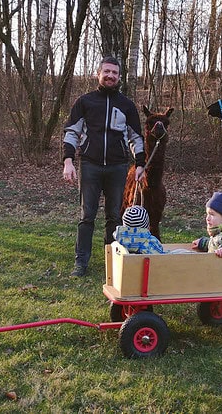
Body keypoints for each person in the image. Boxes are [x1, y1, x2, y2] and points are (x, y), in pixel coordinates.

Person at [62, 56, 146, 277]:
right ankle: (81, 263)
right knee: (86, 216)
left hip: (118, 167)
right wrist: (68, 160)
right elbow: (72, 132)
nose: (110, 76)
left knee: (114, 218)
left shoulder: (127, 105)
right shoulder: (85, 102)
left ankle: (113, 261)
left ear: (119, 77)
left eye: (115, 73)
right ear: (98, 74)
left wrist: (140, 163)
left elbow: (136, 137)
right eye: (106, 72)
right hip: (89, 165)